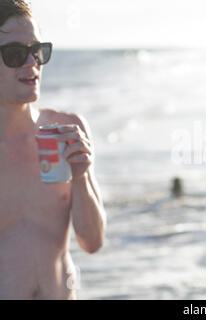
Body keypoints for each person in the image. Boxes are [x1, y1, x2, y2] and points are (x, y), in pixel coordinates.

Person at [0, 0, 106, 299]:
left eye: (37, 51)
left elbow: (92, 241)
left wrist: (82, 176)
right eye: (15, 54)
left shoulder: (65, 130)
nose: (31, 63)